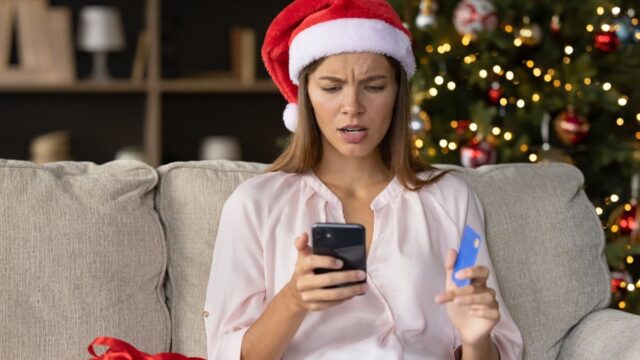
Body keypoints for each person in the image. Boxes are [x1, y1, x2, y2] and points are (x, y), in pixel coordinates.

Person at [204, 0, 523, 359]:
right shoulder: (255, 203)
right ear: (305, 96)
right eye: (331, 87)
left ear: (397, 94)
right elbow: (225, 353)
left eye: (374, 86)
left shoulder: (450, 198)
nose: (352, 106)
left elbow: (492, 347)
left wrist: (477, 340)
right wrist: (293, 299)